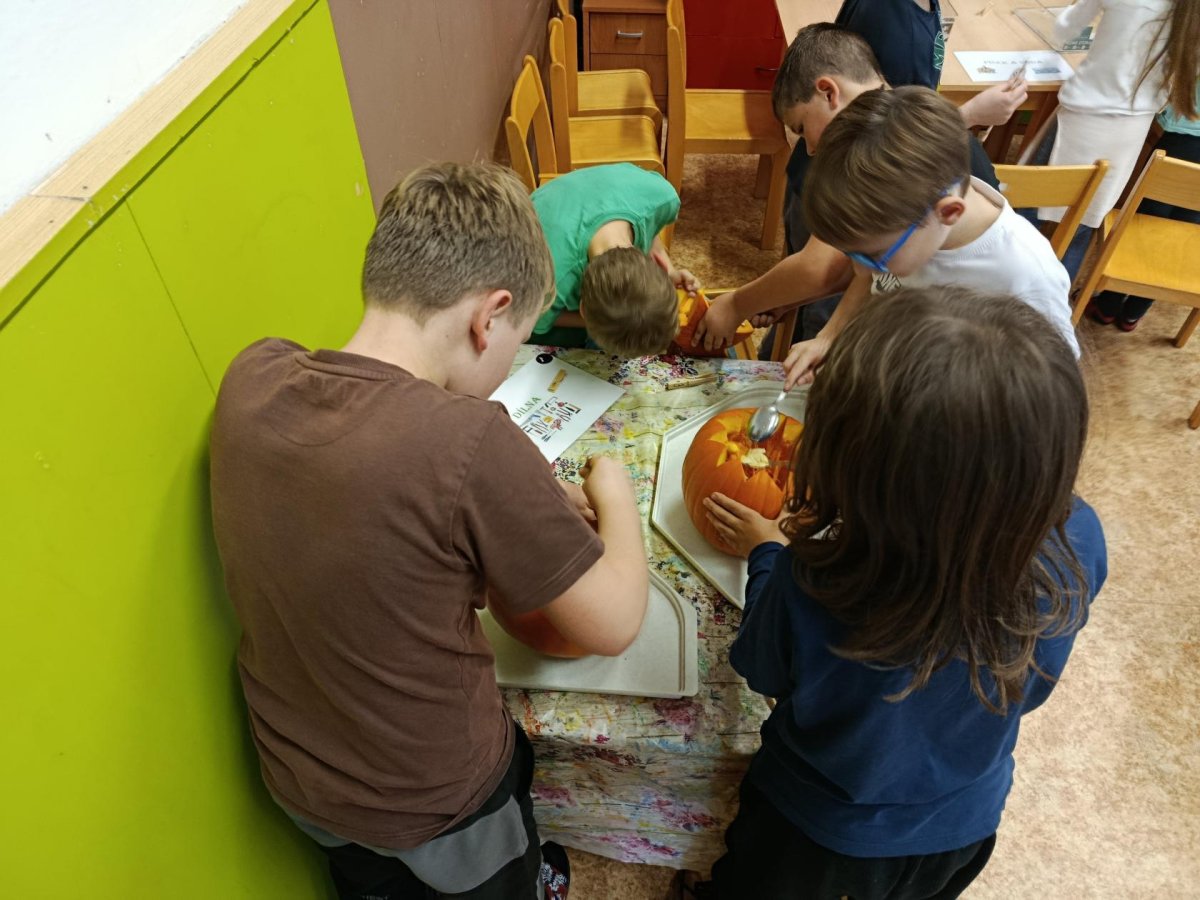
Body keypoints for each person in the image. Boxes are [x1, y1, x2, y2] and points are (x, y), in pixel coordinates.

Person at [209, 162, 649, 900]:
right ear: (490, 317)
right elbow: (614, 623)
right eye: (519, 339)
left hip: (298, 776)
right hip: (437, 802)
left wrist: (524, 494)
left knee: (372, 883)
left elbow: (373, 493)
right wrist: (616, 492)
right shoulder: (473, 440)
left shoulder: (252, 377)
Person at [702, 285, 1107, 898]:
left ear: (856, 474)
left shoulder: (813, 579)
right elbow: (1032, 688)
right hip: (962, 820)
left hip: (813, 826)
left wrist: (768, 554)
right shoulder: (1080, 537)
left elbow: (762, 670)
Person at [693, 20, 1027, 353]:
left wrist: (737, 304)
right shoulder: (895, 125)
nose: (810, 149)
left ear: (828, 92)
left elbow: (822, 267)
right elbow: (864, 269)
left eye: (801, 127)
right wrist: (802, 311)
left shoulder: (879, 155)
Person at [783, 86, 1079, 388]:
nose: (860, 270)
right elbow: (869, 275)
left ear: (948, 212)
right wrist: (830, 335)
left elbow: (1055, 385)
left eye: (872, 257)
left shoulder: (1026, 275)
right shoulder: (915, 224)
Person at [1038, 0, 1198, 282]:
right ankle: (1053, 299)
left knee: (1030, 206)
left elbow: (1064, 28)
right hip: (1134, 128)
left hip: (1083, 117)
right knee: (1084, 221)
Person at [530, 162, 698, 356]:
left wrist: (670, 270)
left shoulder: (663, 198)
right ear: (582, 309)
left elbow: (651, 229)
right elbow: (536, 320)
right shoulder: (551, 283)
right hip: (538, 228)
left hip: (580, 201)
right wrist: (599, 324)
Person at [1086, 84, 1200, 330]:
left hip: (1183, 139)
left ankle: (1108, 305)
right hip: (1186, 141)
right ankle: (1134, 312)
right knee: (1180, 236)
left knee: (1145, 224)